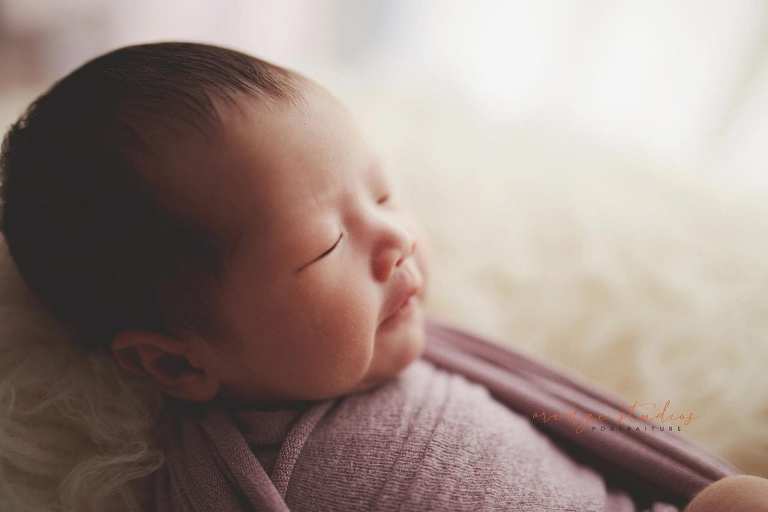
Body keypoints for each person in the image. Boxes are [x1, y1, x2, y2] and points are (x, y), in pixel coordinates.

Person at [1, 42, 765, 511]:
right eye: (326, 248)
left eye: (384, 194)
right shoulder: (244, 481)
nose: (396, 239)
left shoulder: (442, 353)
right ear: (175, 360)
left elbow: (596, 431)